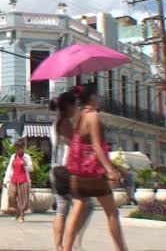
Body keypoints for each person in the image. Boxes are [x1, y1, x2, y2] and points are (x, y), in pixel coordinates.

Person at [63, 84, 127, 251]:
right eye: (97, 96)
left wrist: (114, 166)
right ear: (91, 97)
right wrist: (110, 170)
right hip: (93, 174)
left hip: (77, 173)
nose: (98, 99)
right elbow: (97, 147)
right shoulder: (93, 117)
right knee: (112, 212)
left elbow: (79, 143)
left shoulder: (77, 117)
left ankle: (66, 248)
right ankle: (122, 249)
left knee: (76, 212)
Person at [49, 91, 94, 251]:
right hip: (68, 170)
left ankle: (59, 246)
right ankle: (72, 242)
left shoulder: (56, 123)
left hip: (56, 170)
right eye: (75, 104)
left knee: (62, 209)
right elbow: (76, 144)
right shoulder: (66, 123)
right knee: (86, 205)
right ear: (68, 106)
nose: (77, 107)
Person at [4, 139, 33, 222]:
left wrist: (25, 164)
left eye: (19, 148)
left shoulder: (27, 157)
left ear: (23, 148)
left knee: (22, 199)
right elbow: (9, 168)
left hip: (23, 180)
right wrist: (6, 180)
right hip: (14, 179)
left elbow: (31, 169)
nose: (17, 150)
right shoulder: (13, 156)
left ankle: (21, 216)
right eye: (16, 148)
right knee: (11, 196)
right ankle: (18, 211)